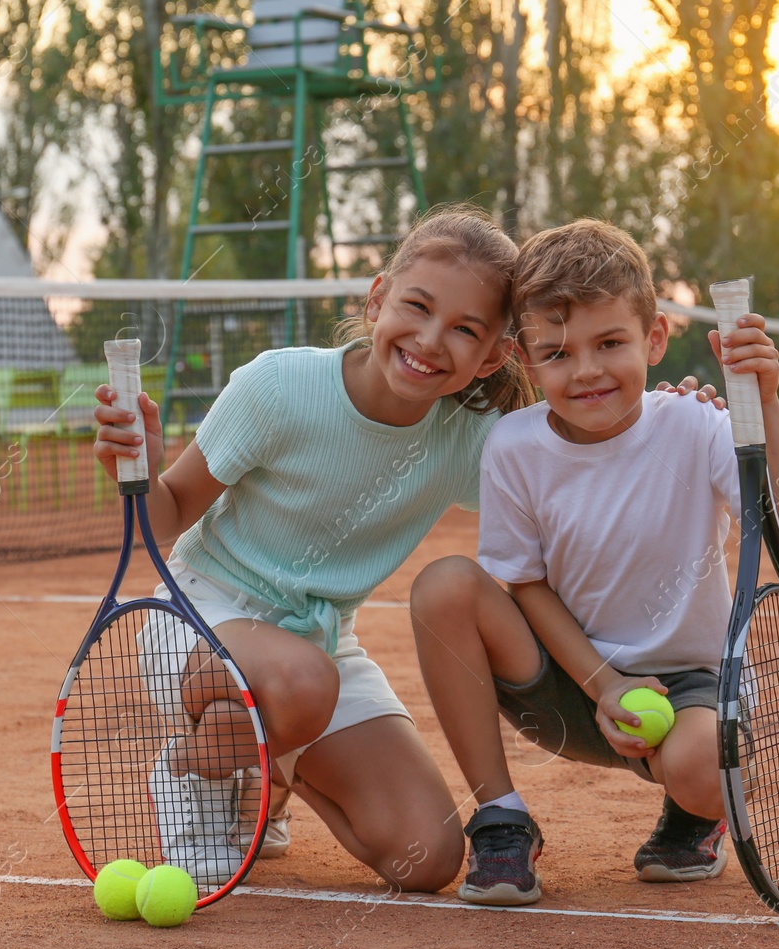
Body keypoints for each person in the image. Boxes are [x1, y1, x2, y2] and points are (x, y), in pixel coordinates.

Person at [92, 205, 532, 890]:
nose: (430, 339)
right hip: (199, 621)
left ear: (494, 355)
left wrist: (680, 411)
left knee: (428, 857)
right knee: (302, 681)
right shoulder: (279, 387)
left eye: (465, 330)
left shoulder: (474, 438)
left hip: (319, 649)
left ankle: (260, 775)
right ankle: (195, 765)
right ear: (378, 296)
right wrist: (142, 466)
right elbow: (169, 512)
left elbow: (581, 461)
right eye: (416, 307)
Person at [410, 218, 779, 905]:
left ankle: (697, 811)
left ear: (655, 338)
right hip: (565, 678)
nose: (586, 371)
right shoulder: (512, 446)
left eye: (610, 343)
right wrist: (603, 682)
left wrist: (766, 403)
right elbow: (524, 584)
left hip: (689, 685)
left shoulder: (698, 426)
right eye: (557, 352)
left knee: (705, 768)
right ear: (524, 358)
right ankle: (501, 819)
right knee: (445, 587)